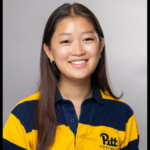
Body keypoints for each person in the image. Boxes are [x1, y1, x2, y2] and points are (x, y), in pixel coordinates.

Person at [3, 2, 139, 150]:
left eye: (87, 39)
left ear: (100, 47)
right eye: (65, 41)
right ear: (49, 51)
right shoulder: (22, 116)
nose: (78, 50)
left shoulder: (123, 115)